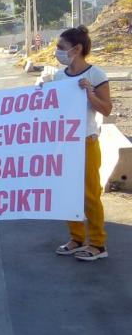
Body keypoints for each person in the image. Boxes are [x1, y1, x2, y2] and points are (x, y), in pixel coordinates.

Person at [52, 26, 112, 262]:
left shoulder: (96, 74)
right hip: (65, 142)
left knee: (90, 194)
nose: (57, 51)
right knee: (69, 193)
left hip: (86, 141)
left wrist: (90, 94)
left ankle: (98, 243)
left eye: (61, 48)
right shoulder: (59, 77)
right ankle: (76, 238)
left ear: (76, 49)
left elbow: (106, 109)